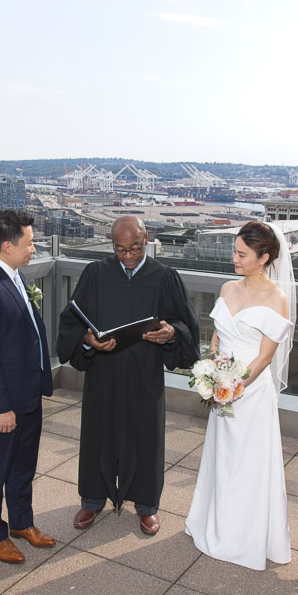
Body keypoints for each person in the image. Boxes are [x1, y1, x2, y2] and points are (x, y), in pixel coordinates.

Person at [56, 215, 200, 535]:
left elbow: (187, 328)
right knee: (98, 436)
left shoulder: (166, 278)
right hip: (103, 375)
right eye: (120, 249)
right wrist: (87, 339)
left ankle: (147, 506)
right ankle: (92, 499)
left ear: (146, 238)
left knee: (145, 439)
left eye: (134, 247)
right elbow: (71, 320)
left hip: (144, 375)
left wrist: (170, 334)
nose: (128, 255)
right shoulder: (96, 274)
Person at [184, 220, 295, 569]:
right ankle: (211, 521)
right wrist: (212, 372)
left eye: (242, 253)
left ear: (264, 257)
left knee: (247, 462)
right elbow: (217, 337)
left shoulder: (277, 299)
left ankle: (241, 535)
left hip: (250, 390)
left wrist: (236, 385)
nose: (235, 258)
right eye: (235, 250)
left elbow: (265, 355)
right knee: (221, 458)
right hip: (222, 385)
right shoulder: (227, 287)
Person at [0, 209, 55, 564]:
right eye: (30, 242)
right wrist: (1, 406)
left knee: (24, 464)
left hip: (28, 392)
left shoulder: (17, 277)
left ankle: (22, 522)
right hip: (6, 401)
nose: (34, 248)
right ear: (7, 245)